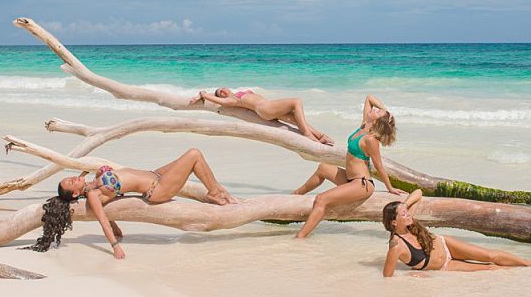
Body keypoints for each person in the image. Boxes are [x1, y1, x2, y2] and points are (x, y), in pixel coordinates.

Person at [23, 147, 236, 259]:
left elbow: (111, 208)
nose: (73, 178)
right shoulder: (93, 196)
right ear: (75, 193)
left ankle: (216, 191)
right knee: (194, 154)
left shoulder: (95, 182)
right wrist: (115, 246)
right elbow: (103, 219)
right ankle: (216, 192)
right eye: (71, 182)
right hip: (156, 189)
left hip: (155, 174)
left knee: (193, 157)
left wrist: (101, 173)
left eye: (70, 177)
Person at [292, 94, 403, 238]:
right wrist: (386, 111)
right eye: (377, 109)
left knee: (321, 199)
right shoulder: (364, 126)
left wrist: (390, 187)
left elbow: (379, 165)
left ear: (377, 121)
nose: (374, 110)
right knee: (323, 168)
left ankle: (300, 237)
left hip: (362, 185)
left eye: (377, 112)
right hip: (349, 180)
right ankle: (295, 195)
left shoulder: (371, 139)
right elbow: (369, 98)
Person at [382, 189, 531, 276]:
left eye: (406, 212)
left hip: (446, 245)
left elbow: (418, 193)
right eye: (403, 214)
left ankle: (529, 263)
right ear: (394, 222)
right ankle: (523, 274)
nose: (407, 214)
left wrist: (403, 205)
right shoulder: (396, 246)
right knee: (490, 270)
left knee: (490, 256)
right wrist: (411, 276)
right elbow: (387, 277)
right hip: (444, 266)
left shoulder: (408, 219)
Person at [190, 87, 333, 145]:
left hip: (268, 108)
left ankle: (321, 136)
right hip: (265, 108)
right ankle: (307, 134)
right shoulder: (232, 100)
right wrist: (201, 95)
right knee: (297, 101)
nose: (221, 91)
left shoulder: (237, 94)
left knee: (295, 118)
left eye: (221, 88)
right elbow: (208, 95)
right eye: (219, 93)